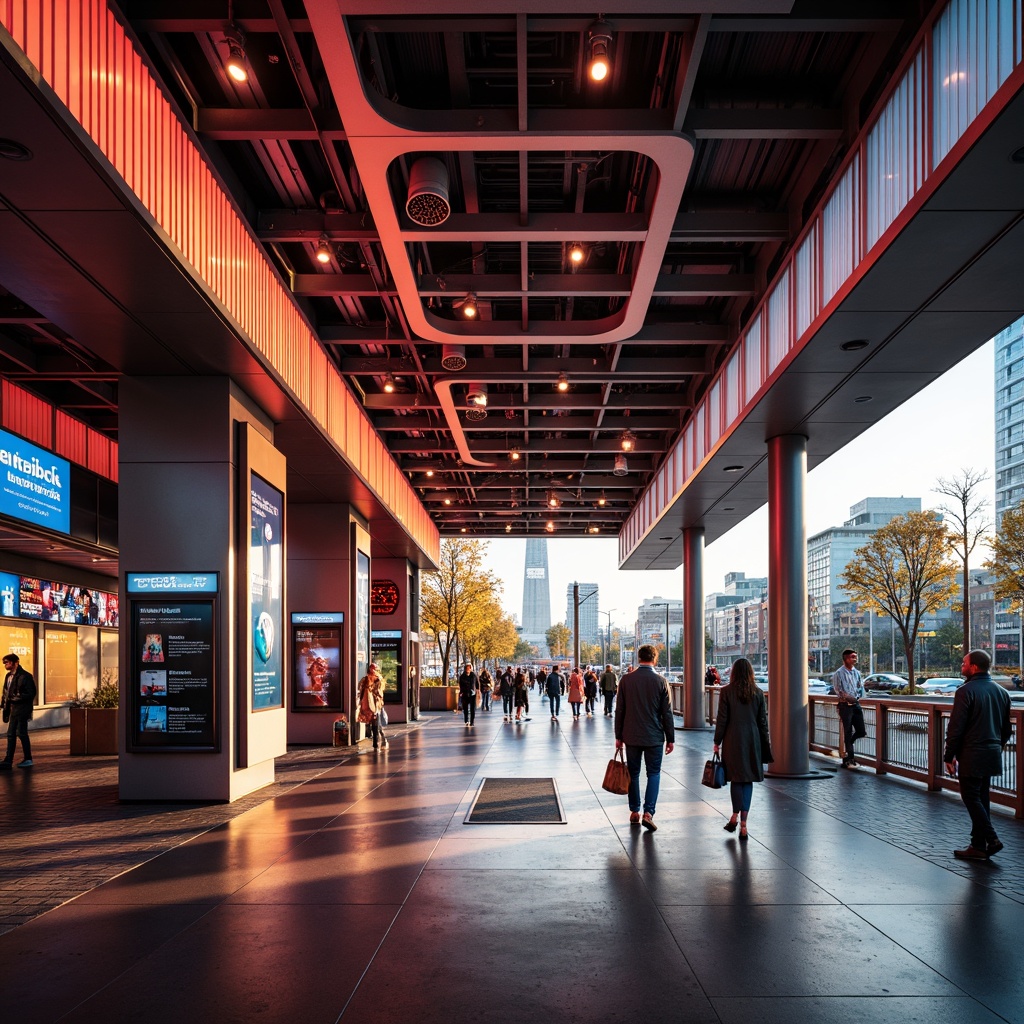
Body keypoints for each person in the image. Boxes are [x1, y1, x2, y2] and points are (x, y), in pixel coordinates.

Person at [943, 649, 1012, 860]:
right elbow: (1006, 729)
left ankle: (992, 839)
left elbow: (956, 728)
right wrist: (995, 746)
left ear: (973, 667)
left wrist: (949, 755)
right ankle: (978, 846)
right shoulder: (1002, 692)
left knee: (971, 797)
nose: (961, 666)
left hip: (972, 753)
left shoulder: (965, 691)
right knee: (982, 798)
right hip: (991, 752)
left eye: (964, 663)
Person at [614, 645, 674, 831]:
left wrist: (618, 736)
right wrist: (670, 738)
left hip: (631, 735)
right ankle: (648, 813)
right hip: (655, 736)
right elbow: (667, 714)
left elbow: (620, 710)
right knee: (654, 773)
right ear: (654, 659)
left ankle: (634, 811)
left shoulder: (626, 680)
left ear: (638, 658)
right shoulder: (661, 681)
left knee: (633, 773)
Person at [713, 658, 773, 840]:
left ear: (733, 673)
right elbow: (763, 723)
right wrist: (765, 744)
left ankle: (734, 815)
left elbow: (722, 719)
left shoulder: (726, 692)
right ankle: (744, 824)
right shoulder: (758, 693)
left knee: (736, 779)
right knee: (747, 780)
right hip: (752, 740)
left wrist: (717, 741)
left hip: (732, 739)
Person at [1, 653, 37, 769]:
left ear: (15, 662)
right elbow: (6, 692)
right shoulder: (8, 676)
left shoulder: (25, 676)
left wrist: (16, 698)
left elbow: (31, 693)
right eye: (4, 662)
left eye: (7, 662)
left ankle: (27, 759)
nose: (5, 664)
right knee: (12, 734)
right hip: (12, 710)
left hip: (21, 710)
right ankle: (8, 760)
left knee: (20, 733)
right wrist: (4, 704)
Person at [831, 648, 866, 767]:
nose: (855, 659)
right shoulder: (839, 673)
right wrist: (847, 697)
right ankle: (850, 757)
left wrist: (858, 696)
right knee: (848, 731)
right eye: (852, 657)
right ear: (846, 659)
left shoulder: (857, 673)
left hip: (856, 705)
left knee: (861, 731)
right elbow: (838, 690)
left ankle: (848, 745)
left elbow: (859, 687)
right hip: (845, 706)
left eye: (855, 656)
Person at [356, 663, 388, 750]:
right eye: (371, 669)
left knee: (376, 723)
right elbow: (360, 688)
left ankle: (376, 743)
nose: (372, 670)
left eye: (374, 669)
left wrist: (375, 692)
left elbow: (380, 692)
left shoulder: (378, 679)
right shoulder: (365, 679)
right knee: (373, 723)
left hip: (376, 703)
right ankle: (379, 740)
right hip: (367, 703)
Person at [458, 662, 479, 726]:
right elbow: (460, 685)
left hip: (472, 694)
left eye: (469, 668)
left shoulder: (474, 675)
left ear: (471, 668)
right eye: (467, 668)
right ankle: (466, 720)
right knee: (465, 708)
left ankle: (472, 721)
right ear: (465, 668)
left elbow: (477, 683)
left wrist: (478, 690)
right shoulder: (462, 676)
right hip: (465, 694)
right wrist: (461, 692)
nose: (468, 669)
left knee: (473, 708)